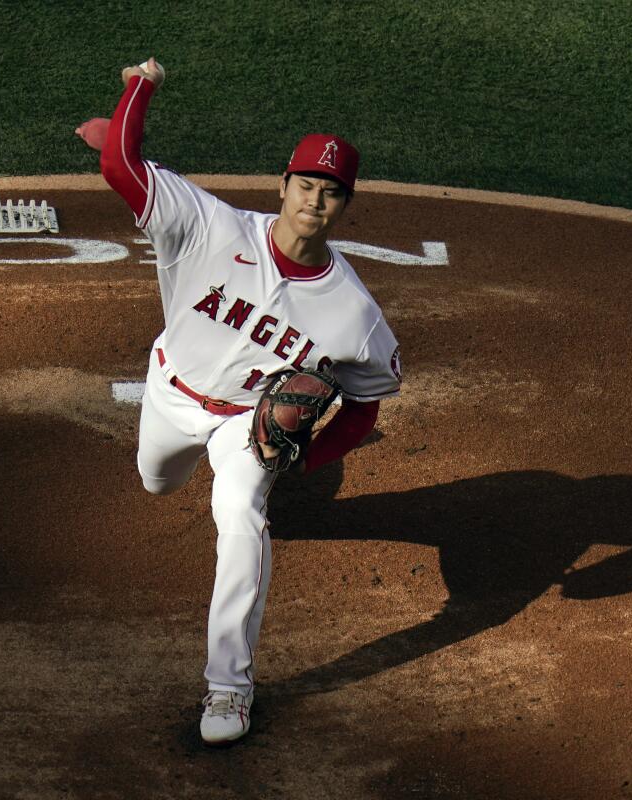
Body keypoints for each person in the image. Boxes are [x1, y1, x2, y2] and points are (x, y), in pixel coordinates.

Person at [76, 57, 402, 745]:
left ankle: (229, 690)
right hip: (171, 390)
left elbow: (367, 405)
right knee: (157, 481)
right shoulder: (214, 227)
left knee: (241, 516)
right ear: (283, 185)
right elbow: (120, 170)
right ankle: (195, 465)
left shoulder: (356, 315)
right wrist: (141, 87)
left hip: (244, 426)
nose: (315, 201)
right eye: (306, 184)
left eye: (332, 193)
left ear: (346, 205)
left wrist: (303, 461)